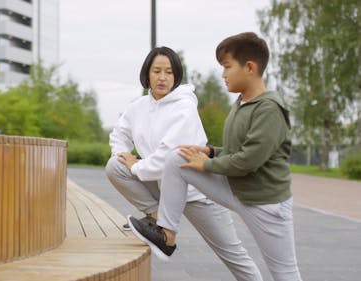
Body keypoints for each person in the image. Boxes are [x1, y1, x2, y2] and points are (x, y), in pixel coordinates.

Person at [128, 32, 303, 281]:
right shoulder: (242, 103)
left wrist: (208, 163)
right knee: (178, 158)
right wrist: (209, 151)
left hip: (265, 203)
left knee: (284, 272)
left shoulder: (269, 108)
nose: (223, 74)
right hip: (237, 190)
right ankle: (166, 235)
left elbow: (249, 160)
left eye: (228, 67)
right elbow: (237, 150)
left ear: (250, 67)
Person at [106, 46, 263, 280]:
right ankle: (159, 219)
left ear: (176, 76)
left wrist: (135, 165)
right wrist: (123, 155)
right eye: (157, 71)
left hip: (198, 191)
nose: (162, 77)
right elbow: (119, 135)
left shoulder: (184, 107)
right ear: (147, 74)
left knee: (233, 254)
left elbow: (166, 157)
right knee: (114, 166)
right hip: (162, 188)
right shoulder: (137, 108)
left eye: (169, 72)